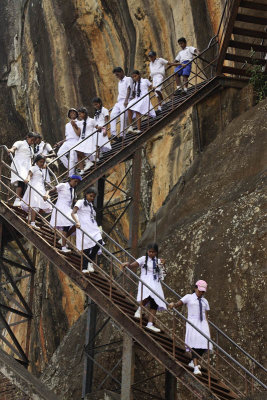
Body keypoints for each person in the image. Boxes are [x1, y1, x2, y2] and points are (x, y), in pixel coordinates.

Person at [169, 280, 212, 376]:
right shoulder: (189, 297)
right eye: (200, 290)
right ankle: (196, 367)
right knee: (194, 344)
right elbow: (179, 303)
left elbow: (206, 315)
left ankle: (193, 362)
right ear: (195, 288)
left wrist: (207, 328)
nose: (201, 293)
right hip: (193, 323)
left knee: (204, 345)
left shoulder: (205, 301)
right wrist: (174, 305)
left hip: (203, 324)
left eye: (203, 291)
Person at [122, 243, 166, 333]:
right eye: (149, 251)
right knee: (148, 296)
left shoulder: (158, 261)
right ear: (147, 251)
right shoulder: (143, 259)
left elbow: (162, 274)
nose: (151, 253)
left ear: (156, 253)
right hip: (146, 280)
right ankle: (139, 310)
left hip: (155, 282)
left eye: (153, 252)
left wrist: (163, 265)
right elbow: (133, 265)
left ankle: (150, 324)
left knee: (154, 303)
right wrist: (128, 265)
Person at [44, 175, 82, 253]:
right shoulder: (63, 185)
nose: (76, 183)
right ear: (71, 180)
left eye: (77, 182)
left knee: (77, 223)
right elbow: (50, 191)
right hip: (61, 208)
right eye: (75, 181)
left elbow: (74, 201)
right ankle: (63, 247)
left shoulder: (73, 191)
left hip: (67, 209)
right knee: (67, 226)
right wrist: (46, 194)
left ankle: (62, 241)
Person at [71, 187, 103, 273]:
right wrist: (77, 222)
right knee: (86, 247)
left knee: (99, 242)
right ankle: (84, 267)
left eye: (93, 197)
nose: (92, 198)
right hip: (84, 227)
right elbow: (73, 213)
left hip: (92, 227)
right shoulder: (80, 202)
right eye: (91, 196)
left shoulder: (91, 205)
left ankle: (90, 261)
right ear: (86, 194)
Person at [21, 154, 52, 228]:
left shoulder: (40, 169)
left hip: (41, 189)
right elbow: (29, 174)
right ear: (37, 162)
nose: (42, 163)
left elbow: (44, 168)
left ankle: (30, 215)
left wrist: (45, 166)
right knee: (35, 205)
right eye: (41, 162)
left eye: (43, 162)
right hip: (35, 188)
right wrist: (27, 179)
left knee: (48, 206)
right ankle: (32, 223)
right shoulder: (34, 168)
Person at [8, 132, 35, 206]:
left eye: (34, 141)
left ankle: (22, 201)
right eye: (31, 140)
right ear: (27, 137)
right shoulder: (20, 143)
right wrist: (11, 150)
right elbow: (14, 148)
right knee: (21, 180)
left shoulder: (31, 149)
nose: (32, 142)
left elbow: (31, 159)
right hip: (19, 164)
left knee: (25, 183)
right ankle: (17, 199)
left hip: (26, 167)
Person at [110, 67, 133, 141]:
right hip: (119, 102)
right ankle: (113, 134)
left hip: (126, 100)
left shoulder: (128, 79)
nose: (117, 76)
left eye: (118, 74)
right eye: (116, 75)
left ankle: (122, 135)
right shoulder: (119, 82)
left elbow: (129, 89)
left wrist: (126, 100)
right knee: (112, 115)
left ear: (122, 72)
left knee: (123, 116)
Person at [56, 108, 81, 176]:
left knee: (72, 158)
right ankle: (70, 168)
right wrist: (61, 142)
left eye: (74, 112)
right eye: (71, 113)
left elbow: (79, 134)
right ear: (69, 115)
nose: (72, 114)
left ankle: (71, 174)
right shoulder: (67, 125)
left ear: (76, 114)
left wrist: (74, 125)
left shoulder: (79, 122)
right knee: (59, 153)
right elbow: (67, 137)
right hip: (67, 142)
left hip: (75, 141)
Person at [75, 107, 99, 175]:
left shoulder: (92, 120)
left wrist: (101, 129)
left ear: (84, 113)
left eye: (80, 114)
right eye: (78, 114)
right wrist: (74, 126)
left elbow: (98, 127)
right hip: (82, 138)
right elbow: (78, 133)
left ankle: (88, 161)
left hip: (89, 138)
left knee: (78, 151)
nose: (79, 116)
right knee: (77, 152)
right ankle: (83, 168)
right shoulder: (80, 122)